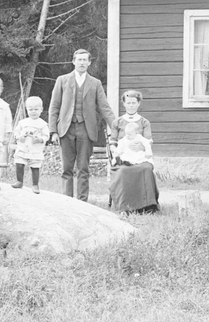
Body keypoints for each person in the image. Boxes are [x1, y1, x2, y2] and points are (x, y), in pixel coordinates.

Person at [47, 49, 117, 201]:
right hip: (66, 129)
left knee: (83, 168)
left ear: (89, 63)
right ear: (73, 61)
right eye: (79, 60)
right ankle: (67, 201)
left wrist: (117, 126)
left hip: (86, 129)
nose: (82, 63)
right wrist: (53, 131)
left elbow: (104, 107)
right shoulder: (62, 80)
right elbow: (54, 107)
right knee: (66, 168)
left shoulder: (95, 83)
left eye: (85, 60)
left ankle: (82, 202)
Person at [108, 89, 159, 214]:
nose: (131, 105)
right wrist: (117, 151)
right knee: (124, 170)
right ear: (124, 104)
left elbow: (148, 141)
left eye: (133, 103)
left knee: (146, 169)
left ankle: (148, 206)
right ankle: (125, 206)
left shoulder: (144, 122)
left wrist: (141, 148)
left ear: (138, 104)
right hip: (124, 157)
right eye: (128, 103)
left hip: (140, 156)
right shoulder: (117, 122)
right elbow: (112, 142)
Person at [10, 95, 50, 193]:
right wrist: (20, 137)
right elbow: (16, 132)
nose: (33, 112)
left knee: (35, 166)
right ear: (27, 110)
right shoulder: (22, 122)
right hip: (23, 147)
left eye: (36, 109)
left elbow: (46, 136)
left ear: (41, 110)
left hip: (35, 149)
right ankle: (19, 181)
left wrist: (39, 139)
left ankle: (35, 185)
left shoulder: (43, 124)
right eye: (30, 109)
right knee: (19, 163)